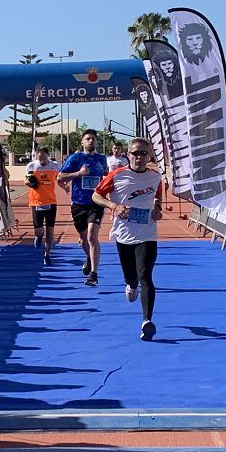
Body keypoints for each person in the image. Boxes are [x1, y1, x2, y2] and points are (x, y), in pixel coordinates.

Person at [92, 138, 164, 340]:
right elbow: (96, 196)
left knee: (146, 276)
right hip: (123, 234)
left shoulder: (155, 177)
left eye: (143, 153)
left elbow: (157, 197)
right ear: (128, 155)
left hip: (147, 234)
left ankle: (147, 321)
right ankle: (130, 286)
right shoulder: (117, 175)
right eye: (135, 153)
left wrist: (157, 209)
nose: (139, 157)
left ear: (149, 155)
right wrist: (114, 207)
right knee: (132, 278)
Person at [58, 129, 110, 287]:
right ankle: (89, 257)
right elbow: (60, 177)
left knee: (92, 237)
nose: (91, 141)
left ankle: (94, 275)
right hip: (79, 204)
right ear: (82, 142)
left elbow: (106, 176)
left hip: (96, 203)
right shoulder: (76, 158)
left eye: (93, 139)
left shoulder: (102, 159)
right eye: (88, 139)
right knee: (83, 240)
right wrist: (78, 174)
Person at [25, 146, 61, 265]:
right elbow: (25, 180)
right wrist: (30, 183)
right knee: (39, 231)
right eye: (38, 157)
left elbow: (59, 179)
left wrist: (64, 186)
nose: (41, 160)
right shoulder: (31, 166)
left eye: (42, 157)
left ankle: (47, 255)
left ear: (47, 155)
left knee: (50, 230)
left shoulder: (55, 165)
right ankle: (39, 237)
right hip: (36, 202)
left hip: (51, 202)